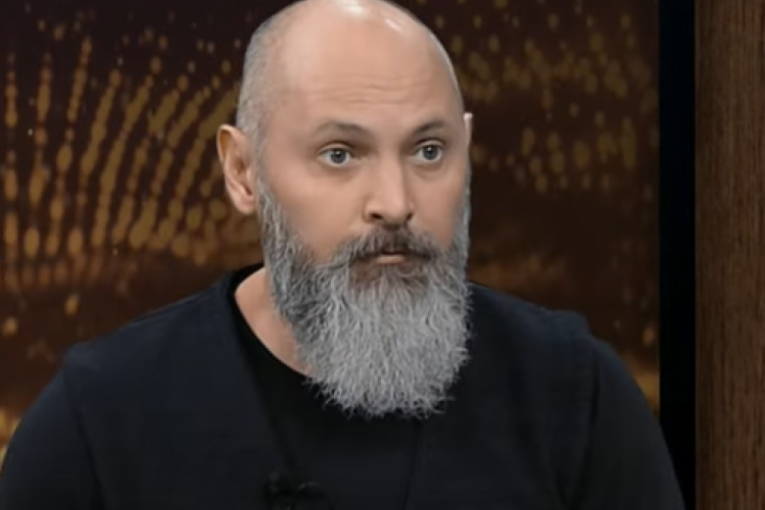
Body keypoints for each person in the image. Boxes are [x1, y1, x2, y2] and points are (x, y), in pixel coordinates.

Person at [0, 0, 684, 508]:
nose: (395, 201)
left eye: (428, 150)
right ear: (242, 172)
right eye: (339, 154)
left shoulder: (577, 400)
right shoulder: (97, 426)